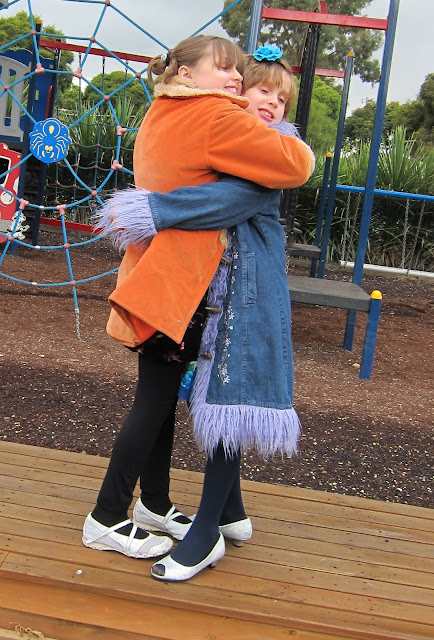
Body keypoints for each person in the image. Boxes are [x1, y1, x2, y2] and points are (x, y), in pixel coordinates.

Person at [83, 36, 314, 572]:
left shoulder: (164, 111)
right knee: (157, 400)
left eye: (280, 97)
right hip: (186, 285)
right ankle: (106, 514)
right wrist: (286, 147)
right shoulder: (217, 118)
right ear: (187, 72)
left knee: (162, 398)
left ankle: (160, 502)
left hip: (162, 278)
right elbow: (284, 173)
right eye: (231, 72)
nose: (236, 81)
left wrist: (150, 210)